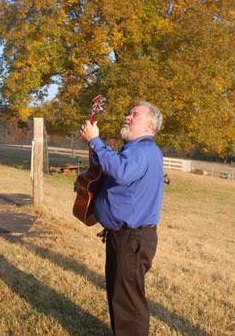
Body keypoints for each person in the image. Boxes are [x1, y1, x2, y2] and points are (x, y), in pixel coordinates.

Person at [80, 101, 164, 336]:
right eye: (128, 113)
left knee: (129, 306)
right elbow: (113, 172)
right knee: (121, 299)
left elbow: (120, 171)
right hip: (125, 238)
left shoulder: (144, 150)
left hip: (132, 239)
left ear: (149, 125)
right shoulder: (135, 149)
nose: (127, 117)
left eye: (134, 114)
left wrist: (96, 141)